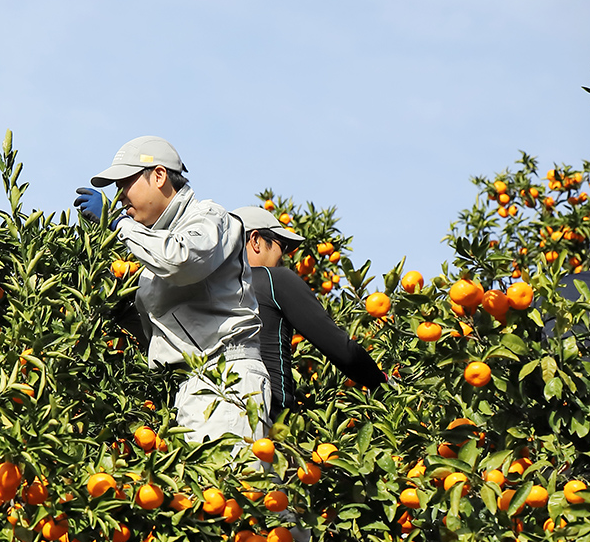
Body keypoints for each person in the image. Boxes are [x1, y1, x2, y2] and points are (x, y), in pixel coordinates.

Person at [75, 136, 271, 441]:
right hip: (187, 388)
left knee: (230, 485)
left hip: (227, 378)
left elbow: (181, 260)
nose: (120, 197)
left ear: (159, 176)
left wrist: (118, 225)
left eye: (125, 184)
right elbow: (167, 327)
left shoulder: (208, 218)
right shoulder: (152, 248)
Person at [232, 206, 385, 420]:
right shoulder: (274, 279)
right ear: (255, 240)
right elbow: (343, 351)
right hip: (267, 420)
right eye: (280, 246)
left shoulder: (203, 292)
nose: (283, 258)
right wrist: (381, 381)